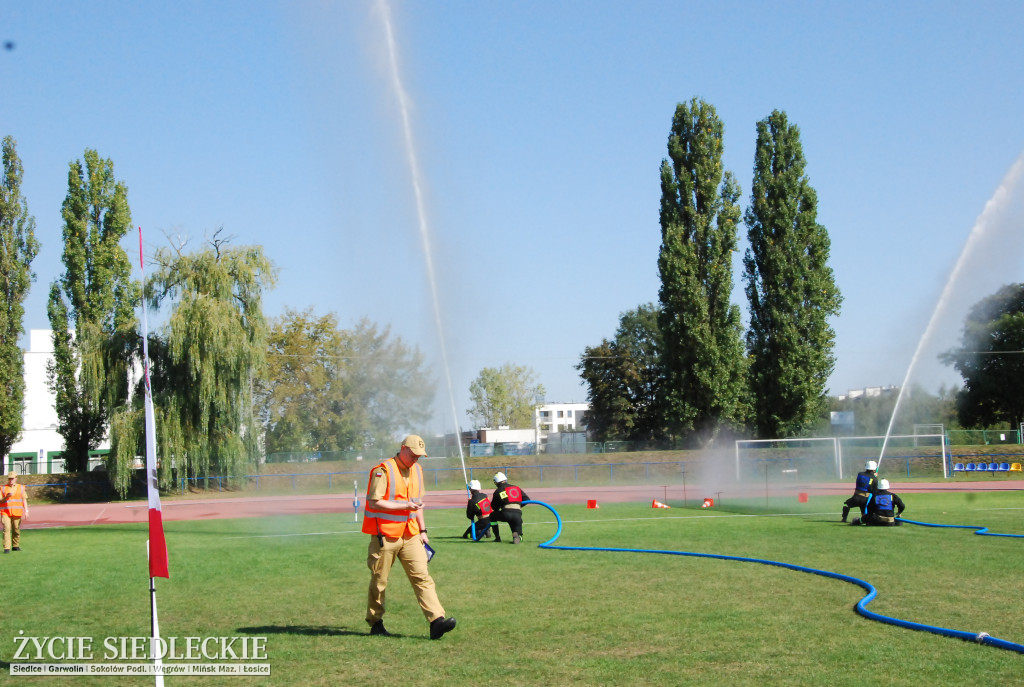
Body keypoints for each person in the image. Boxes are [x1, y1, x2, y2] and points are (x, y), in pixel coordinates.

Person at [361, 435, 456, 640]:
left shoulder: (418, 471)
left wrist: (423, 531)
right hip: (385, 536)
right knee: (379, 581)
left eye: (419, 457)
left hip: (411, 534)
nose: (416, 460)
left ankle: (436, 621)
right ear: (403, 449)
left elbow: (418, 503)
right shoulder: (383, 471)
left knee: (422, 577)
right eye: (413, 455)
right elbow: (374, 502)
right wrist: (404, 506)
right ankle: (375, 622)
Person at [489, 472, 530, 544]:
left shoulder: (498, 491)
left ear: (496, 482)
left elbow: (494, 507)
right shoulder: (516, 488)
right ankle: (517, 535)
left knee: (492, 516)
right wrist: (518, 506)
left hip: (506, 513)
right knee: (515, 524)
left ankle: (497, 537)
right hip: (518, 514)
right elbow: (527, 499)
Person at [1, 470, 29, 553]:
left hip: (17, 512)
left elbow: (24, 499)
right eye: (9, 478)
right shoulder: (3, 488)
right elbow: (0, 501)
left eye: (12, 478)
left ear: (16, 478)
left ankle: (15, 546)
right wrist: (6, 497)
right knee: (7, 528)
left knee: (16, 529)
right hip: (5, 512)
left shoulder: (21, 487)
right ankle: (6, 548)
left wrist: (26, 510)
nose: (11, 480)